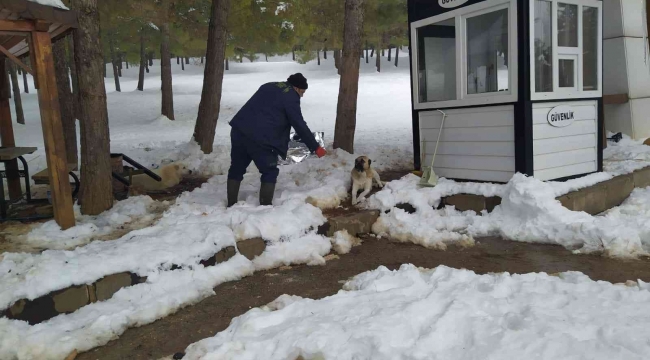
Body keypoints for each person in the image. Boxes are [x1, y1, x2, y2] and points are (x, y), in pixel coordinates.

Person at [227, 73, 327, 207]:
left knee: (236, 168)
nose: (302, 96)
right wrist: (315, 147)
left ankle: (231, 204)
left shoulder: (269, 86)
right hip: (261, 138)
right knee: (269, 171)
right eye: (302, 92)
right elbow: (299, 124)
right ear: (296, 88)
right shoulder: (291, 97)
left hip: (239, 130)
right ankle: (265, 207)